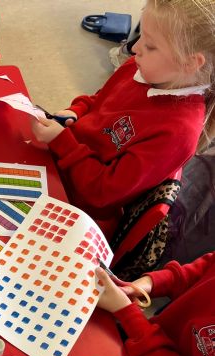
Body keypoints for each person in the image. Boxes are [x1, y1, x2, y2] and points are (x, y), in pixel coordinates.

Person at [32, 0, 215, 238]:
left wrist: (62, 143)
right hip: (62, 160)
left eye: (150, 45)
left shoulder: (177, 133)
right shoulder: (141, 68)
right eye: (141, 37)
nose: (135, 48)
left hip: (79, 208)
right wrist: (77, 111)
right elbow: (99, 99)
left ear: (190, 63)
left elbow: (101, 195)